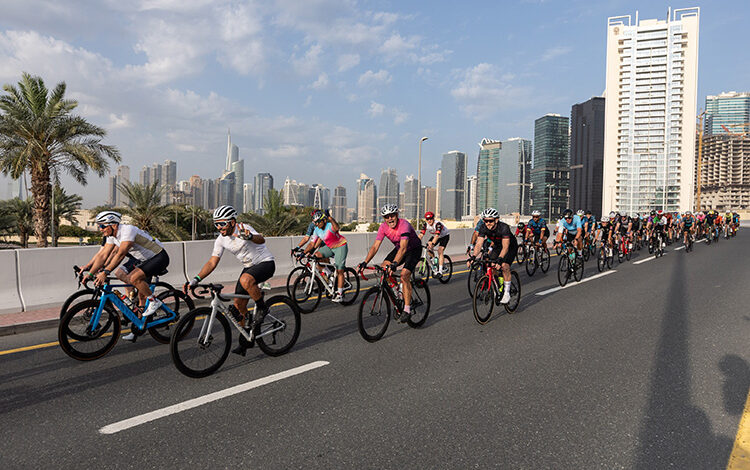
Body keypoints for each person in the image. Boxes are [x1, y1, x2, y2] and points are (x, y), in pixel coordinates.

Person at [186, 205, 275, 356]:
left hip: (265, 263)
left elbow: (261, 239)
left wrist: (250, 237)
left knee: (245, 279)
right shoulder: (221, 240)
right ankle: (247, 339)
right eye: (216, 224)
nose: (219, 227)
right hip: (249, 267)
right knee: (238, 306)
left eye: (222, 223)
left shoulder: (244, 228)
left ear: (232, 222)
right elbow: (212, 263)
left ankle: (262, 307)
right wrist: (195, 279)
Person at [88, 211, 170, 342]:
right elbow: (103, 255)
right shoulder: (112, 236)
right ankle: (138, 327)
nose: (100, 229)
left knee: (134, 279)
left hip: (158, 257)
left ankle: (154, 301)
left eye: (102, 226)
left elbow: (120, 255)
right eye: (99, 226)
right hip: (144, 261)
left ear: (113, 225)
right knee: (138, 293)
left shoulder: (127, 230)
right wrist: (91, 273)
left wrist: (105, 272)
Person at [359, 204, 422, 322]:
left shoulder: (404, 225)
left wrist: (394, 264)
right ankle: (398, 293)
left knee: (404, 275)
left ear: (397, 215)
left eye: (392, 216)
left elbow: (404, 248)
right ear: (384, 218)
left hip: (413, 250)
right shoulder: (383, 227)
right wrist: (365, 262)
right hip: (399, 249)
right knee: (384, 268)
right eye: (386, 217)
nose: (390, 219)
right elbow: (375, 246)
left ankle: (407, 309)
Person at [470, 208, 517, 304]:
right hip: (497, 246)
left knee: (504, 266)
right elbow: (479, 244)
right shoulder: (483, 227)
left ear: (496, 220)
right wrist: (473, 257)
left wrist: (500, 260)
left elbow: (505, 247)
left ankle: (507, 292)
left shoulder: (504, 227)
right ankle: (498, 286)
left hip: (510, 247)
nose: (488, 223)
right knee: (490, 264)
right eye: (486, 221)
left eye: (490, 221)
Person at [303, 210, 348, 302]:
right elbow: (312, 244)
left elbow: (337, 227)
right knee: (316, 256)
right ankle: (327, 272)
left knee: (340, 270)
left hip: (340, 246)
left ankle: (340, 294)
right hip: (330, 247)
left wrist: (331, 219)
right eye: (316, 222)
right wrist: (304, 253)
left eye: (318, 222)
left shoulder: (329, 226)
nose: (317, 224)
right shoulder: (317, 230)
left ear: (323, 220)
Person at [418, 211, 450, 277]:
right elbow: (421, 235)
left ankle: (440, 271)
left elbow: (437, 236)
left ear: (433, 218)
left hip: (444, 236)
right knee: (428, 248)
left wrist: (432, 244)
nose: (429, 221)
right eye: (427, 219)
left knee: (440, 250)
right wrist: (416, 242)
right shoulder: (425, 224)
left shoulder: (438, 224)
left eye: (431, 219)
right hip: (435, 235)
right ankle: (434, 261)